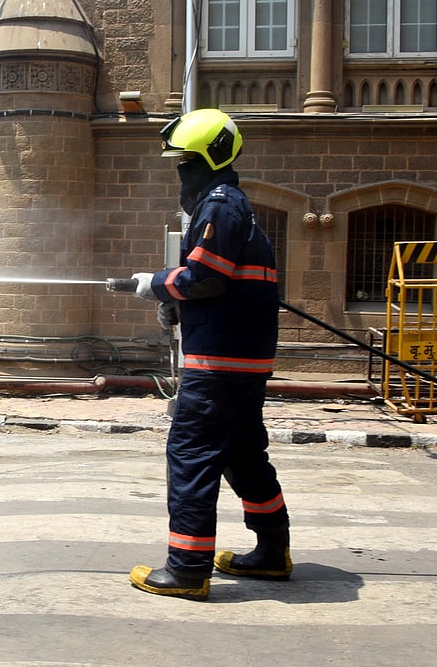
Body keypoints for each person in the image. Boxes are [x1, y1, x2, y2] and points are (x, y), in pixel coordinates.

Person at [125, 108, 291, 600]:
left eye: (187, 163)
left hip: (219, 363)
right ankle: (272, 552)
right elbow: (222, 284)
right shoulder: (234, 205)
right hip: (242, 359)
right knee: (242, 455)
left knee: (192, 453)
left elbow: (206, 277)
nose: (181, 173)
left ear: (211, 158)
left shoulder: (219, 204)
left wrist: (154, 285)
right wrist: (175, 304)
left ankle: (187, 569)